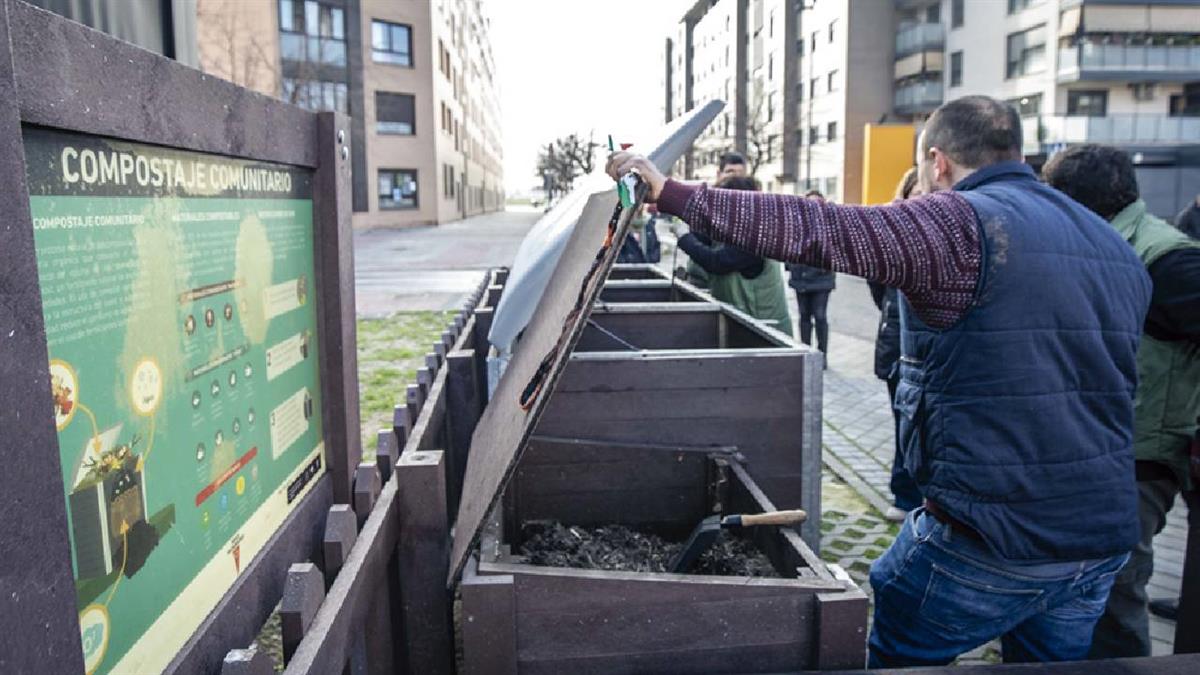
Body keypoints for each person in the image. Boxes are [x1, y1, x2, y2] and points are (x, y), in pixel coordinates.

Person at [608, 95, 1150, 666]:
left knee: (898, 642)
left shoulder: (960, 222)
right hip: (1100, 541)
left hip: (992, 539)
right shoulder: (1111, 244)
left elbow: (823, 228)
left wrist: (671, 194)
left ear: (938, 162)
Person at [1041, 144, 1200, 659]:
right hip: (1094, 445)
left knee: (1115, 589)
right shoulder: (1096, 242)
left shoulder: (1167, 257)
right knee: (1083, 585)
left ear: (1072, 201)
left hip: (1138, 458)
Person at [869, 168, 923, 523]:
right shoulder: (891, 238)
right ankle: (904, 495)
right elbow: (878, 288)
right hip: (898, 348)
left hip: (935, 353)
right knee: (904, 423)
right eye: (915, 193)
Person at [675, 176, 794, 337]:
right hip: (745, 328)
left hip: (767, 335)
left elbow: (717, 262)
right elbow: (704, 237)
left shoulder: (755, 236)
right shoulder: (731, 229)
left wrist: (684, 238)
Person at [685, 152, 752, 288]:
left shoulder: (752, 209)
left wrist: (684, 239)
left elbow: (722, 261)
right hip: (704, 280)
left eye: (740, 172)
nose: (735, 177)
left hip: (737, 288)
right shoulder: (705, 203)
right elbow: (700, 239)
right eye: (730, 171)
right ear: (719, 174)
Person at [788, 190, 837, 356]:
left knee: (820, 316)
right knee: (804, 316)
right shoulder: (796, 227)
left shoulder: (830, 226)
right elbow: (787, 251)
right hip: (801, 279)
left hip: (822, 280)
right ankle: (806, 351)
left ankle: (822, 354)